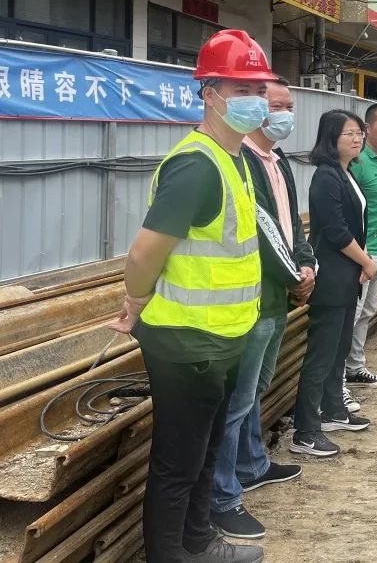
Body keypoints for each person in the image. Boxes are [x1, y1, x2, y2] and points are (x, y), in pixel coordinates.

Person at [108, 29, 274, 563]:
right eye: (240, 85)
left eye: (258, 86)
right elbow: (143, 254)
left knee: (205, 453)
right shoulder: (196, 164)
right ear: (209, 92)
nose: (255, 97)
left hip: (223, 339)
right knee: (178, 462)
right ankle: (171, 555)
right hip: (186, 343)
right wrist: (135, 303)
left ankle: (199, 543)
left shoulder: (236, 160)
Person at [210, 78, 315, 540]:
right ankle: (222, 496)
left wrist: (306, 261)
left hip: (278, 295)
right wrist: (295, 277)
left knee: (254, 390)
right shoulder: (241, 163)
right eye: (275, 105)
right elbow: (261, 230)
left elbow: (292, 223)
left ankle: (252, 464)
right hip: (252, 299)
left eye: (289, 105)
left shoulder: (278, 161)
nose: (283, 113)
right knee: (235, 401)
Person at [290, 110, 377, 458]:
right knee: (322, 354)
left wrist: (361, 263)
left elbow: (354, 226)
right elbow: (336, 231)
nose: (356, 139)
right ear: (331, 139)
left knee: (339, 348)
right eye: (349, 134)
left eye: (359, 133)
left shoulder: (347, 173)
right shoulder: (326, 177)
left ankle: (331, 411)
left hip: (348, 274)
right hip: (331, 275)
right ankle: (306, 431)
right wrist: (366, 261)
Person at [344, 102, 377, 388]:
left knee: (366, 312)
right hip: (362, 253)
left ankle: (354, 367)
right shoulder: (358, 162)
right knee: (352, 315)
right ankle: (337, 379)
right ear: (367, 128)